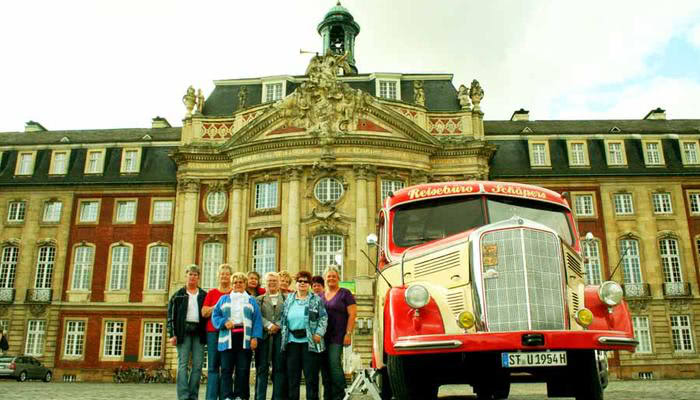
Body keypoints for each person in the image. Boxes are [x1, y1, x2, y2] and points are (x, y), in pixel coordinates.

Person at [212, 272, 263, 400]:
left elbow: (257, 320)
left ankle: (241, 395)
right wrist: (224, 322)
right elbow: (215, 316)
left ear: (245, 284)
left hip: (245, 339)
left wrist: (255, 337)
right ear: (232, 284)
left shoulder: (251, 300)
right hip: (227, 338)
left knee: (243, 369)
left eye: (240, 282)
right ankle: (226, 396)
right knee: (226, 369)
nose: (238, 284)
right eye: (235, 282)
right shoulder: (223, 299)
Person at [280, 271, 328, 400]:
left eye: (305, 281)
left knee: (311, 378)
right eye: (300, 281)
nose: (302, 283)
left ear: (310, 285)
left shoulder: (316, 300)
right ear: (296, 283)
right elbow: (283, 318)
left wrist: (318, 333)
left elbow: (323, 318)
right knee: (293, 378)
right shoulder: (289, 299)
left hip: (310, 343)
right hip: (291, 342)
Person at [168, 264, 208, 400]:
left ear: (198, 278)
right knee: (183, 364)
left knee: (197, 365)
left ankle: (193, 395)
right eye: (190, 274)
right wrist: (172, 334)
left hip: (199, 331)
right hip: (183, 331)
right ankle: (184, 396)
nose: (193, 277)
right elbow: (170, 317)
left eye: (195, 275)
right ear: (186, 276)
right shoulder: (177, 295)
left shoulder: (204, 295)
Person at [320, 265, 357, 400]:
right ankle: (327, 395)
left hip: (338, 335)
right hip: (322, 337)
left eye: (334, 276)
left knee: (334, 363)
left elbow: (352, 314)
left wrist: (348, 333)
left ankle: (340, 394)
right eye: (329, 276)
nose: (331, 278)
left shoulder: (345, 293)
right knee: (324, 366)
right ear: (325, 278)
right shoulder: (320, 296)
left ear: (338, 278)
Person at [202, 264, 234, 400]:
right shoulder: (212, 293)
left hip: (229, 333)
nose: (224, 276)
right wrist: (219, 304)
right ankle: (211, 397)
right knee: (213, 366)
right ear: (218, 276)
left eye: (227, 274)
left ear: (230, 276)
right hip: (213, 332)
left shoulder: (234, 293)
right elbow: (204, 313)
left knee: (227, 367)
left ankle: (225, 396)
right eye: (222, 274)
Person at [255, 272, 288, 400]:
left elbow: (287, 314)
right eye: (269, 280)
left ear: (279, 282)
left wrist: (277, 325)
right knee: (262, 368)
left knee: (279, 369)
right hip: (264, 337)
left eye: (275, 280)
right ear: (265, 283)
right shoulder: (259, 299)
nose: (272, 283)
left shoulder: (286, 299)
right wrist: (269, 325)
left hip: (280, 337)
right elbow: (257, 316)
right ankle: (260, 397)